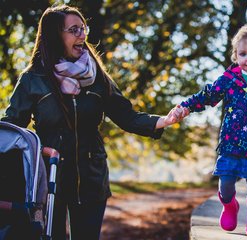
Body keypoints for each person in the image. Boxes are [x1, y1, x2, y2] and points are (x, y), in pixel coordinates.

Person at [1, 4, 183, 240]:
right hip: (48, 178)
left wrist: (163, 121)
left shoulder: (97, 76)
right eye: (73, 30)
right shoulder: (33, 79)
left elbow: (126, 116)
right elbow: (12, 129)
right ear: (55, 34)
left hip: (91, 176)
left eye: (83, 28)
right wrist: (41, 151)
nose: (82, 35)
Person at [178, 24, 247, 236]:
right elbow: (208, 95)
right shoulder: (229, 79)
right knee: (226, 185)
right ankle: (230, 206)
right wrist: (186, 106)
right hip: (231, 143)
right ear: (235, 56)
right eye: (243, 53)